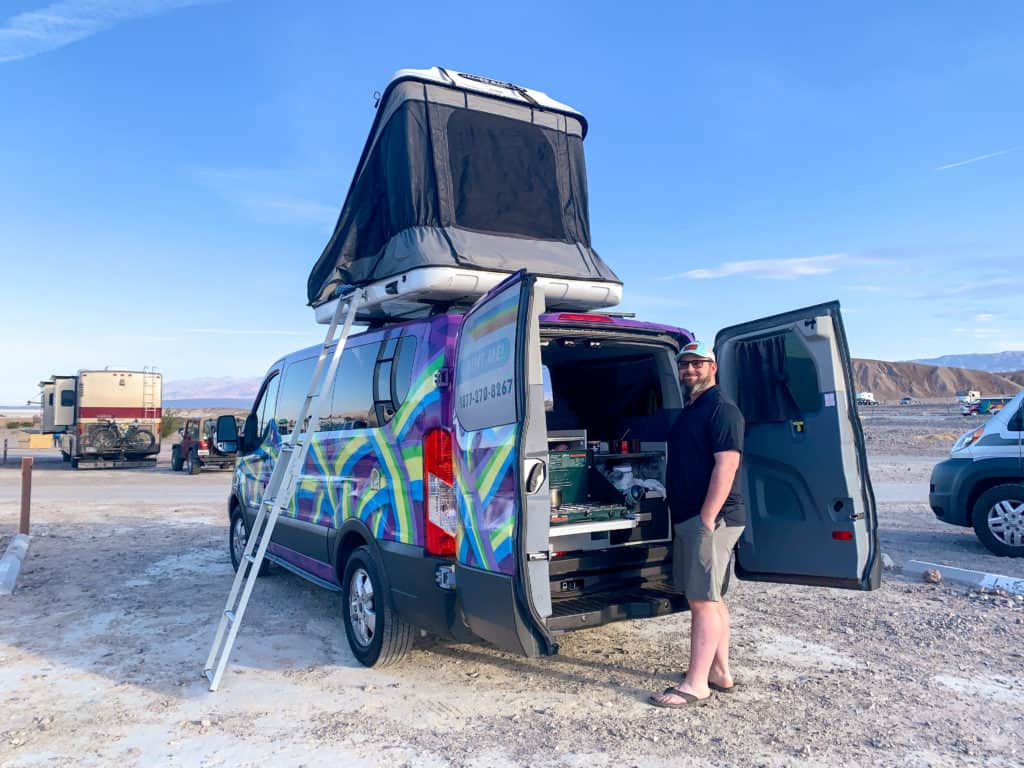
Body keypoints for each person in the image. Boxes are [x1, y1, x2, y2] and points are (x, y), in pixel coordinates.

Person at [649, 340, 746, 709]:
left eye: (697, 364)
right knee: (713, 598)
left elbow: (727, 465)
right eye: (685, 365)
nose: (690, 370)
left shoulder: (721, 409)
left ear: (713, 367)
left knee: (701, 600)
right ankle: (719, 673)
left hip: (712, 519)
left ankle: (695, 684)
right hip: (697, 517)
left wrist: (707, 518)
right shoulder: (694, 408)